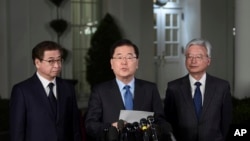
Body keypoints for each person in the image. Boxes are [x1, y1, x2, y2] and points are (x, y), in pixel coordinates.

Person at [84, 39, 169, 141]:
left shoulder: (150, 89)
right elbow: (90, 125)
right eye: (119, 57)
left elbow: (161, 121)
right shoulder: (100, 91)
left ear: (137, 63)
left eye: (129, 57)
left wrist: (154, 128)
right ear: (111, 63)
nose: (124, 62)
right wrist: (111, 127)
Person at [9, 41, 82, 141]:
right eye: (51, 61)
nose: (57, 65)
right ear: (37, 63)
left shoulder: (68, 88)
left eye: (59, 60)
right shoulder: (22, 91)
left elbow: (75, 127)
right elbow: (17, 131)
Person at [164, 38, 232, 141]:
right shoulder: (174, 87)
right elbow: (169, 120)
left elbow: (226, 121)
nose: (193, 60)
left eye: (199, 57)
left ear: (208, 61)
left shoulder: (222, 87)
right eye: (189, 56)